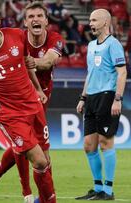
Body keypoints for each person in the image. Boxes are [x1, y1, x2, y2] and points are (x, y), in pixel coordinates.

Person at [0, 1, 56, 203]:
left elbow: (27, 64)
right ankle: (35, 197)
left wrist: (38, 90)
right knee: (39, 161)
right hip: (8, 112)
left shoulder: (17, 35)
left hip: (32, 104)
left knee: (46, 161)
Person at [75, 9, 127, 201]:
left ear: (105, 22)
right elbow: (90, 74)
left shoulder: (113, 44)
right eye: (89, 20)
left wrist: (117, 98)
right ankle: (97, 188)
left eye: (94, 20)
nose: (90, 23)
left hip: (107, 95)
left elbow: (122, 73)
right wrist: (83, 97)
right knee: (89, 145)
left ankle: (108, 190)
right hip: (92, 98)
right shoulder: (90, 45)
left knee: (106, 143)